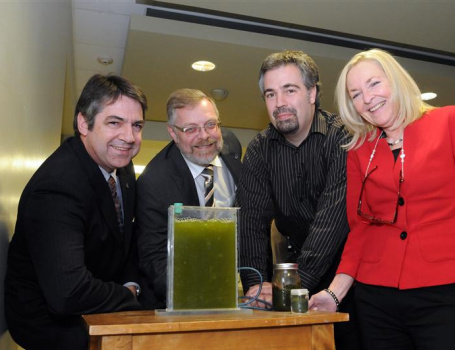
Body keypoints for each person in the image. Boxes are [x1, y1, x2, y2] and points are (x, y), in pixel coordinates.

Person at [309, 48, 455, 350]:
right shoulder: (359, 149)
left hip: (445, 292)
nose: (367, 98)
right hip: (376, 299)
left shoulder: (452, 121)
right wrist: (334, 293)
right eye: (356, 94)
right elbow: (360, 230)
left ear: (395, 80)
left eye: (374, 84)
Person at [4, 74, 147, 350]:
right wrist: (128, 294)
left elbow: (124, 242)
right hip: (52, 326)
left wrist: (133, 284)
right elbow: (67, 293)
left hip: (97, 306)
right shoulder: (58, 186)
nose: (129, 137)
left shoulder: (122, 166)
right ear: (84, 123)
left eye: (137, 125)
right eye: (115, 122)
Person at [237, 50, 360, 349]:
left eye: (289, 90)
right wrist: (256, 288)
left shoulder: (343, 137)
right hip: (293, 271)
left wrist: (290, 287)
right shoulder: (259, 149)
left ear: (312, 92)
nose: (279, 103)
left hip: (349, 275)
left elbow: (331, 222)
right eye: (270, 94)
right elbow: (251, 221)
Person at [135, 88, 242, 309]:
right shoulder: (154, 182)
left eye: (210, 125)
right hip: (178, 302)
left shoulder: (236, 166)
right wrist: (201, 297)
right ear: (173, 133)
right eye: (190, 129)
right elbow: (154, 258)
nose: (204, 136)